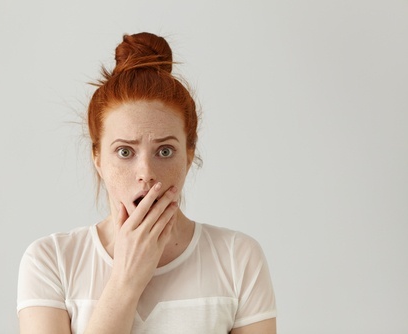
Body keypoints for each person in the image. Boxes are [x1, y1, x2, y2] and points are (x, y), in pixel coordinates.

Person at [17, 32, 277, 334]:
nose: (146, 173)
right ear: (98, 158)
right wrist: (126, 281)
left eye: (164, 151)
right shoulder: (51, 260)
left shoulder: (237, 257)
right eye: (125, 152)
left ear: (189, 155)